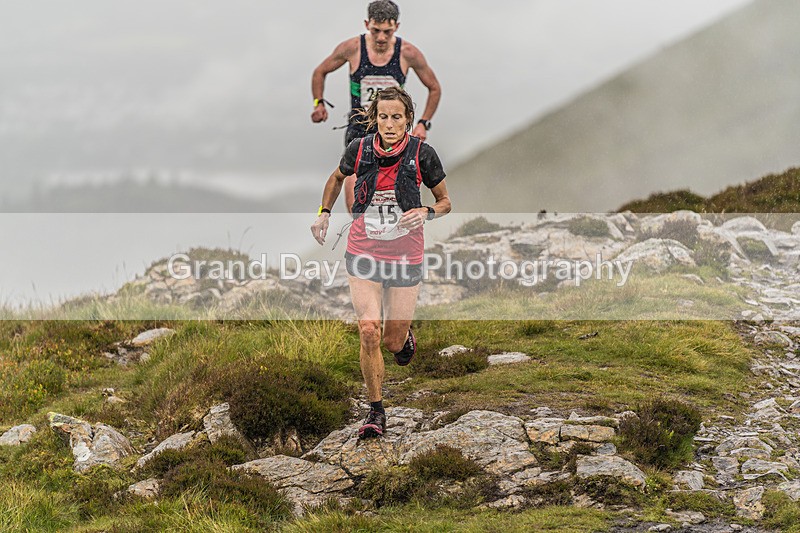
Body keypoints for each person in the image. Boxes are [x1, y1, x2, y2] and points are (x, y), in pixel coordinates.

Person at [311, 87, 451, 439]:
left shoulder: (423, 153)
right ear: (375, 119)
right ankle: (375, 411)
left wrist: (427, 211)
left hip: (406, 253)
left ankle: (404, 339)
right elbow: (335, 178)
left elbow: (446, 201)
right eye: (384, 117)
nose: (390, 124)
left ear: (407, 120)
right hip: (363, 250)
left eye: (397, 117)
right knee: (369, 330)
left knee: (391, 342)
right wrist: (323, 214)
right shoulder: (358, 149)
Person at [311, 0, 441, 212]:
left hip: (394, 129)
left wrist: (423, 124)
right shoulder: (353, 48)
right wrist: (319, 103)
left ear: (396, 27)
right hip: (360, 127)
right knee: (354, 190)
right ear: (366, 24)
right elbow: (320, 71)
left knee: (396, 188)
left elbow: (434, 87)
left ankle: (397, 233)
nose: (381, 38)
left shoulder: (407, 53)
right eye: (376, 30)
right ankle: (359, 228)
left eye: (387, 32)